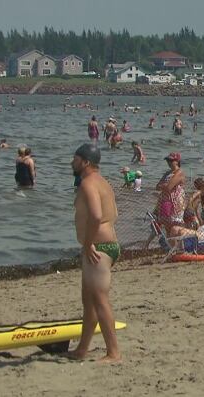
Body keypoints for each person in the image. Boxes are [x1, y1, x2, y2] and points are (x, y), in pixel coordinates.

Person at [68, 143, 121, 362]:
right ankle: (82, 349)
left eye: (75, 159)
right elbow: (114, 213)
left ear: (86, 162)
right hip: (106, 246)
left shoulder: (88, 183)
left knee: (99, 300)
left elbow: (97, 216)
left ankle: (114, 352)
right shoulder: (103, 182)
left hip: (98, 248)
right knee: (89, 301)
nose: (72, 162)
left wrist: (88, 243)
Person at [156, 152, 186, 237]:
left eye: (171, 160)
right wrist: (165, 185)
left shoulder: (179, 172)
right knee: (167, 225)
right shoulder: (167, 173)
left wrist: (165, 185)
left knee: (175, 226)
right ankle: (170, 246)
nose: (168, 162)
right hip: (166, 201)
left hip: (176, 202)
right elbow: (157, 186)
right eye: (168, 160)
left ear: (177, 161)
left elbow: (169, 187)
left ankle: (177, 246)